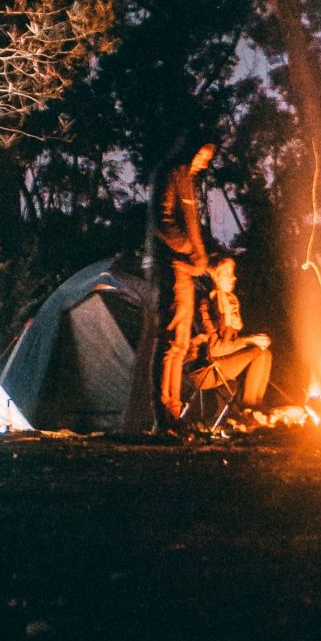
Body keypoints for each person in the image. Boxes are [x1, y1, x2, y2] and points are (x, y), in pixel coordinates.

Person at [142, 137, 216, 433]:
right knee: (170, 340)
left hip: (184, 268)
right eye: (202, 155)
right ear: (190, 149)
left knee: (181, 344)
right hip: (170, 266)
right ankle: (163, 416)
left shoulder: (186, 180)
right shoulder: (170, 174)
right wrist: (190, 250)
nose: (205, 163)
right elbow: (163, 220)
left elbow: (190, 225)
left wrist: (201, 258)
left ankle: (173, 413)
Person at [188, 256, 274, 409]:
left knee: (265, 353)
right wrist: (248, 340)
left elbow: (230, 345)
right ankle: (248, 410)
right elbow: (214, 349)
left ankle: (255, 408)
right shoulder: (204, 305)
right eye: (227, 273)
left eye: (233, 272)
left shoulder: (229, 302)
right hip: (205, 369)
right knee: (257, 352)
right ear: (214, 276)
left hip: (222, 363)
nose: (233, 277)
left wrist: (250, 339)